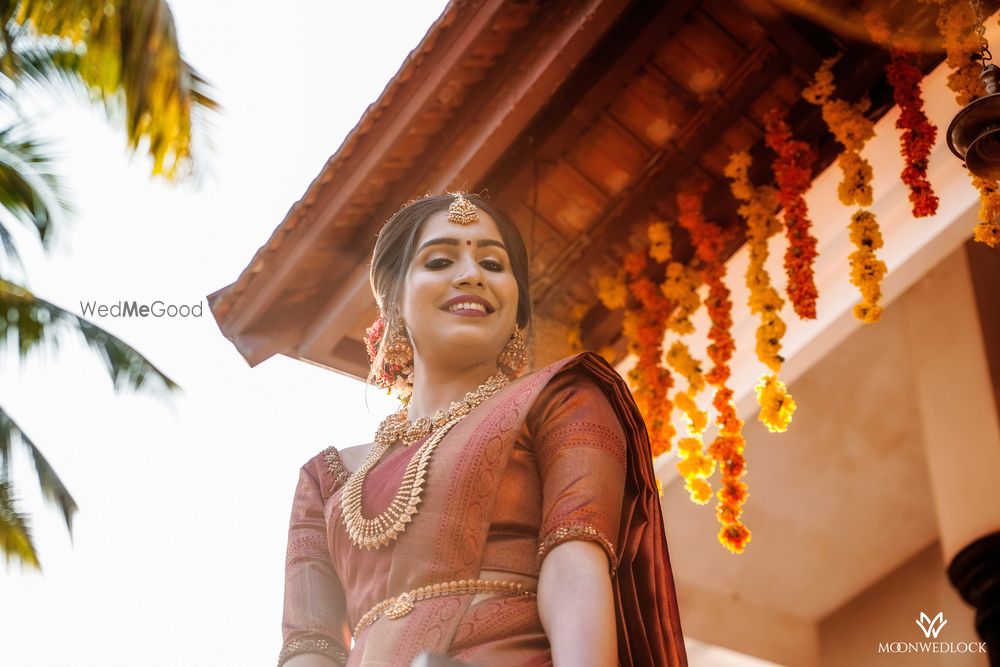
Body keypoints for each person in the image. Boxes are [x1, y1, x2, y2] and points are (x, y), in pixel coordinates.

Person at [279, 193, 687, 667]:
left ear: (517, 306)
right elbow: (310, 646)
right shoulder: (326, 480)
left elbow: (575, 563)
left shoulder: (561, 399)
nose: (472, 274)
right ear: (394, 299)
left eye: (493, 263)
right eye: (439, 260)